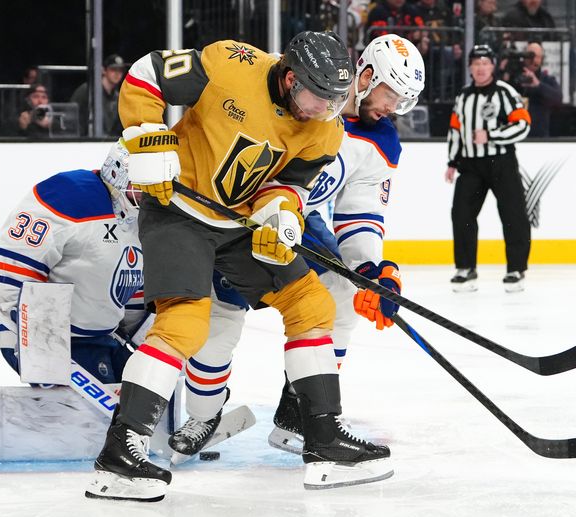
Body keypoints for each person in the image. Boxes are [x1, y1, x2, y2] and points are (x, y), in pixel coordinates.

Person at [86, 31, 393, 502]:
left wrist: (280, 216)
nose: (324, 112)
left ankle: (323, 440)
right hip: (177, 211)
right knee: (186, 323)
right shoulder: (230, 63)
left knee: (310, 301)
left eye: (334, 102)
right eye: (317, 98)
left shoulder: (325, 127)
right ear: (291, 79)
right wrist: (146, 138)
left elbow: (288, 185)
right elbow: (146, 75)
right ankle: (120, 453)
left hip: (238, 225)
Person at [168, 34, 425, 461]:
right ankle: (204, 415)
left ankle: (300, 415)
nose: (391, 108)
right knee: (218, 326)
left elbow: (360, 213)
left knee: (341, 296)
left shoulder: (380, 141)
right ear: (366, 75)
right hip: (235, 218)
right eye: (389, 94)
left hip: (297, 224)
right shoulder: (304, 96)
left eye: (401, 101)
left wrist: (371, 271)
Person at [0, 141, 160, 465]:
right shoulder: (72, 195)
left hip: (100, 340)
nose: (146, 197)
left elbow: (132, 290)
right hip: (50, 338)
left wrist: (143, 339)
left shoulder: (144, 218)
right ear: (116, 174)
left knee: (145, 402)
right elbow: (6, 264)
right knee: (98, 422)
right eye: (140, 188)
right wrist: (40, 337)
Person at [445, 44, 531, 292]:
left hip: (501, 162)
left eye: (485, 63)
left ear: (492, 66)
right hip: (471, 165)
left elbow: (523, 124)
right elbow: (455, 130)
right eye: (476, 63)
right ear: (470, 67)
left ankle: (516, 270)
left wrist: (492, 135)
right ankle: (466, 269)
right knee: (461, 214)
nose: (480, 68)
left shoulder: (505, 92)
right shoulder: (463, 96)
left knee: (513, 215)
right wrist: (452, 162)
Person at [504, 41, 561, 137]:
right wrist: (504, 72)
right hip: (513, 134)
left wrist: (538, 85)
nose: (534, 60)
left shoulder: (547, 80)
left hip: (539, 138)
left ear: (542, 59)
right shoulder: (512, 76)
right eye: (530, 56)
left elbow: (558, 99)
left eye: (538, 57)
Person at [70, 54, 126, 137]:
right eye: (113, 69)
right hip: (86, 141)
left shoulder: (118, 96)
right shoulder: (87, 90)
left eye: (120, 70)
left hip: (107, 142)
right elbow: (72, 116)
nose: (117, 73)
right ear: (104, 70)